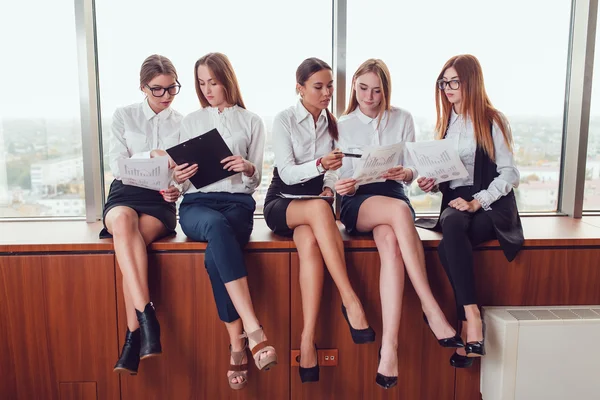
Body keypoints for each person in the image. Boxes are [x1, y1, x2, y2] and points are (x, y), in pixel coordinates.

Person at [334, 58, 464, 389]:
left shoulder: (402, 118)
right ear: (354, 87)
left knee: (391, 243)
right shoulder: (341, 123)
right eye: (363, 88)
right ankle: (430, 306)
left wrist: (404, 173)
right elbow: (332, 175)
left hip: (392, 192)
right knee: (400, 213)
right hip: (358, 200)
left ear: (386, 91)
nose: (370, 96)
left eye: (377, 91)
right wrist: (343, 183)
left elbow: (411, 170)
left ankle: (389, 348)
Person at [263, 57, 374, 384]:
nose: (326, 92)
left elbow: (335, 170)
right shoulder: (284, 120)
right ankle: (350, 299)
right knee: (318, 211)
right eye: (318, 86)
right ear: (300, 89)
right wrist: (318, 165)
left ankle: (306, 340)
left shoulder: (333, 122)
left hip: (315, 205)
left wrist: (328, 187)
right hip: (282, 202)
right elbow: (286, 172)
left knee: (310, 242)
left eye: (330, 86)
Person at [173, 52, 275, 390]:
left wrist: (246, 167)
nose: (207, 89)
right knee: (216, 228)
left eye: (213, 82)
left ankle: (236, 344)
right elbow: (178, 180)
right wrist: (180, 175)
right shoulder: (189, 121)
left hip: (237, 203)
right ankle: (253, 329)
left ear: (226, 80)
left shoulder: (251, 121)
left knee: (214, 250)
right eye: (201, 83)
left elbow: (255, 180)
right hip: (197, 205)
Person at [417, 54, 523, 368]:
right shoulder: (446, 121)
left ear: (470, 83)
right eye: (443, 82)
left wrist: (478, 201)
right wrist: (432, 181)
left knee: (448, 241)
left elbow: (510, 173)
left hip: (490, 204)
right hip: (456, 203)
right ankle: (471, 319)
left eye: (454, 82)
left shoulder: (492, 119)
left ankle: (469, 321)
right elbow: (452, 172)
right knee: (450, 230)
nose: (447, 88)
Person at [103, 54, 184, 375]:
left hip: (159, 201)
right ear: (143, 87)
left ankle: (134, 335)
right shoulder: (124, 116)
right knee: (123, 223)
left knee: (129, 246)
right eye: (158, 90)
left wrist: (179, 186)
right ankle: (147, 318)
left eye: (172, 89)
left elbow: (184, 173)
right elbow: (115, 165)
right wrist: (151, 154)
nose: (166, 96)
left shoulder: (183, 123)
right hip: (124, 194)